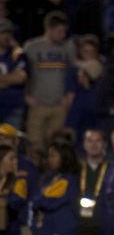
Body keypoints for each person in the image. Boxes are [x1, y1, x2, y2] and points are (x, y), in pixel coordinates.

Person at [24, 11, 77, 152]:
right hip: (37, 103)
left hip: (59, 104)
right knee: (35, 145)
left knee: (55, 145)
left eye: (64, 31)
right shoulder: (31, 47)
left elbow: (71, 72)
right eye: (60, 31)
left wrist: (70, 93)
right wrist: (26, 95)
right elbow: (23, 73)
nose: (63, 35)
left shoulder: (67, 48)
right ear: (49, 29)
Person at [0, 20, 28, 128]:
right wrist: (9, 78)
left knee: (11, 142)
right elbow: (14, 78)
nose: (7, 36)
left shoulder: (18, 54)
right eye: (3, 33)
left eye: (9, 33)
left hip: (13, 106)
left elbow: (20, 78)